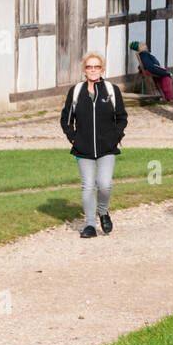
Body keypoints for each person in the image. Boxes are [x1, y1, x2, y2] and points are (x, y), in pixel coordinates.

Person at [60, 52, 128, 238]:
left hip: (107, 148)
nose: (93, 70)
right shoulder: (76, 91)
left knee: (104, 185)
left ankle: (103, 211)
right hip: (83, 148)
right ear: (84, 70)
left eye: (96, 67)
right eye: (89, 67)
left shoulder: (111, 90)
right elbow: (66, 119)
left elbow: (121, 117)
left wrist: (115, 137)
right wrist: (72, 137)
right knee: (88, 186)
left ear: (102, 69)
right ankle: (90, 225)